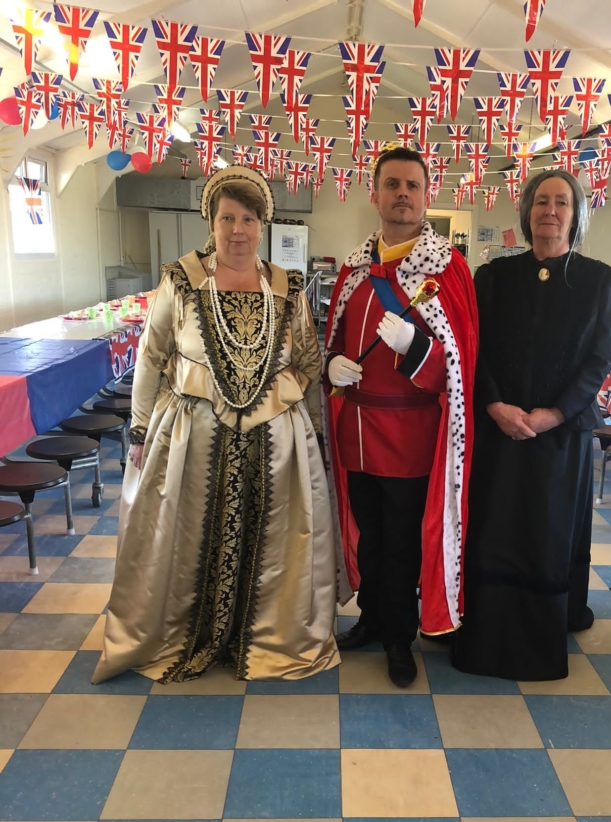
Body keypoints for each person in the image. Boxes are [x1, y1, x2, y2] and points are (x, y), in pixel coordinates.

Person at [93, 166, 338, 684]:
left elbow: (310, 363)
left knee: (271, 544)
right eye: (227, 217)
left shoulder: (286, 285)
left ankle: (261, 638)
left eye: (248, 218)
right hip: (191, 440)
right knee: (183, 540)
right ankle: (188, 633)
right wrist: (139, 433)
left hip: (276, 444)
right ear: (212, 221)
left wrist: (293, 408)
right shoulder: (180, 280)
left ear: (262, 224)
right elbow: (151, 357)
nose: (238, 230)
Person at [452, 169, 611, 682]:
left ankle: (544, 632)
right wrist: (496, 405)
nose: (550, 210)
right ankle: (484, 633)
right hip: (499, 431)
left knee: (547, 530)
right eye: (541, 201)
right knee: (495, 527)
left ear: (576, 213)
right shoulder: (494, 277)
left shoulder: (600, 281)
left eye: (562, 202)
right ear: (526, 212)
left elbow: (597, 362)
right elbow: (473, 351)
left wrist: (553, 414)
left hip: (559, 436)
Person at [324, 145, 478, 688]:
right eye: (392, 184)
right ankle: (371, 616)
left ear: (428, 193)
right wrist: (330, 364)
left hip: (412, 438)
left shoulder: (449, 270)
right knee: (368, 535)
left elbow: (459, 370)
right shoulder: (353, 270)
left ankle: (398, 635)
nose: (403, 194)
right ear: (375, 193)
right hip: (357, 434)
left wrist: (417, 348)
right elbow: (333, 342)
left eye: (412, 185)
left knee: (401, 542)